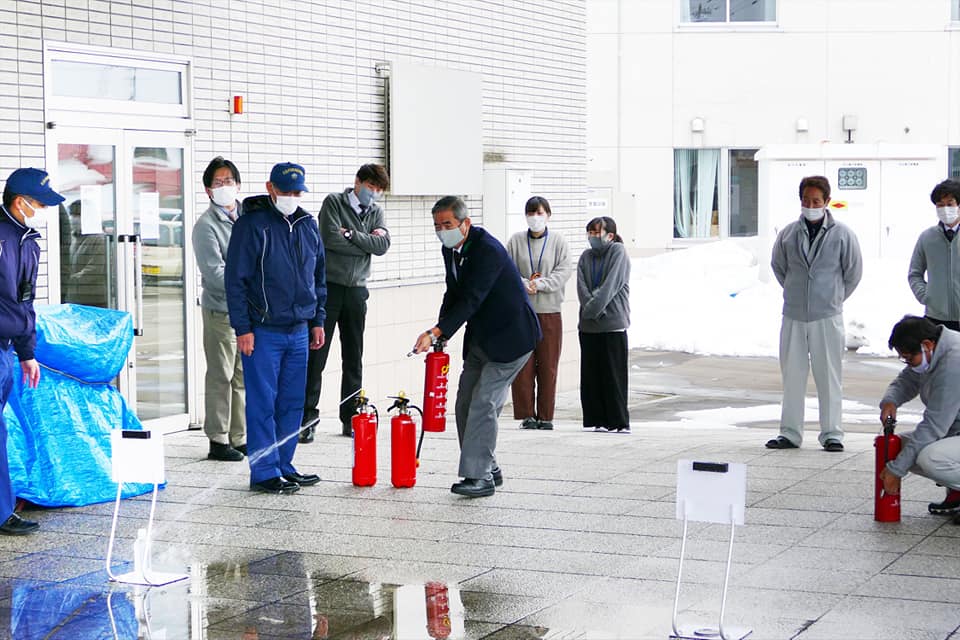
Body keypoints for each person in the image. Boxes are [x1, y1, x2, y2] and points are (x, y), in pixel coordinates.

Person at [411, 196, 540, 498]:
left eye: (448, 224)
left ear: (465, 223)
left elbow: (472, 298)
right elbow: (453, 294)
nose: (442, 231)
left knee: (485, 402)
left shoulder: (488, 251)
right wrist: (441, 332)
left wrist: (437, 331)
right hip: (482, 338)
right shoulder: (451, 250)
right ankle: (489, 466)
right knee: (465, 402)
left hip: (512, 339)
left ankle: (479, 476)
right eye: (437, 226)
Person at [224, 162, 326, 494]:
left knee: (292, 402)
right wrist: (243, 328)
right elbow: (235, 281)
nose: (291, 197)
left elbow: (319, 277)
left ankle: (285, 464)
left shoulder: (308, 224)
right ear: (271, 188)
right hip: (263, 330)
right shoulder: (252, 225)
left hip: (299, 329)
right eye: (285, 192)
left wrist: (318, 320)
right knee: (262, 403)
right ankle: (265, 471)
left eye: (297, 192)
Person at [767, 175, 862, 452]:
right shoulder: (788, 233)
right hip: (794, 314)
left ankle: (832, 433)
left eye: (816, 201)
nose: (811, 205)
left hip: (827, 316)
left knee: (829, 376)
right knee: (793, 375)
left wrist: (832, 297)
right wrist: (796, 291)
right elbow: (778, 266)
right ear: (801, 201)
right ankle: (790, 433)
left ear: (827, 202)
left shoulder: (843, 234)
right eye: (806, 200)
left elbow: (853, 272)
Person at [300, 164, 391, 442]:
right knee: (317, 354)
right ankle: (307, 416)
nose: (373, 194)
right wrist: (365, 241)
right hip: (329, 287)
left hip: (357, 291)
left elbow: (383, 246)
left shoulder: (375, 211)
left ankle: (350, 416)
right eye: (370, 187)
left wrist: (351, 235)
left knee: (354, 356)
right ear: (358, 182)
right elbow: (329, 238)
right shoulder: (334, 202)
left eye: (378, 190)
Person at [0, 168, 64, 534]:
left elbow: (26, 302)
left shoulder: (28, 241)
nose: (40, 209)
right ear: (18, 200)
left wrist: (27, 353)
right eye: (37, 202)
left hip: (7, 349)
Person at [879, 316, 960, 521]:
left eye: (908, 358)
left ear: (927, 345)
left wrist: (896, 471)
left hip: (950, 429)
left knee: (931, 457)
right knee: (898, 447)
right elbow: (908, 379)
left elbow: (934, 426)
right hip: (955, 430)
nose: (907, 363)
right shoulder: (934, 351)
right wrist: (890, 401)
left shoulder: (954, 361)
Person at [193, 157, 247, 462]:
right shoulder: (205, 226)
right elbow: (215, 273)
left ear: (238, 185)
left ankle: (240, 437)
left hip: (247, 312)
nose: (224, 187)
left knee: (242, 376)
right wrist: (249, 281)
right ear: (208, 190)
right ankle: (218, 439)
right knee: (221, 374)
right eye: (218, 183)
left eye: (229, 181)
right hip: (221, 311)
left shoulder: (247, 217)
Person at [505, 196, 572, 431]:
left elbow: (564, 270)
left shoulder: (558, 241)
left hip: (549, 310)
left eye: (540, 213)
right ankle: (526, 415)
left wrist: (541, 284)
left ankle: (546, 415)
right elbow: (507, 269)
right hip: (522, 311)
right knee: (523, 365)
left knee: (548, 364)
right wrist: (523, 284)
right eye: (531, 213)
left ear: (548, 215)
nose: (535, 218)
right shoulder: (515, 241)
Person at [577, 216, 631, 433]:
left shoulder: (618, 252)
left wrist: (592, 308)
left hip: (613, 325)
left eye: (596, 232)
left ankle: (618, 421)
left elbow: (611, 286)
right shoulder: (585, 256)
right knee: (591, 376)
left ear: (610, 235)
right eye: (589, 232)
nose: (592, 237)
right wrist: (590, 308)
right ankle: (596, 419)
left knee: (613, 375)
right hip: (588, 327)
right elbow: (581, 288)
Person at [908, 179, 960, 331]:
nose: (945, 209)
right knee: (939, 355)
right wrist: (926, 296)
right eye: (940, 205)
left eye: (950, 204)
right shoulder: (927, 237)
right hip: (935, 317)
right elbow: (914, 273)